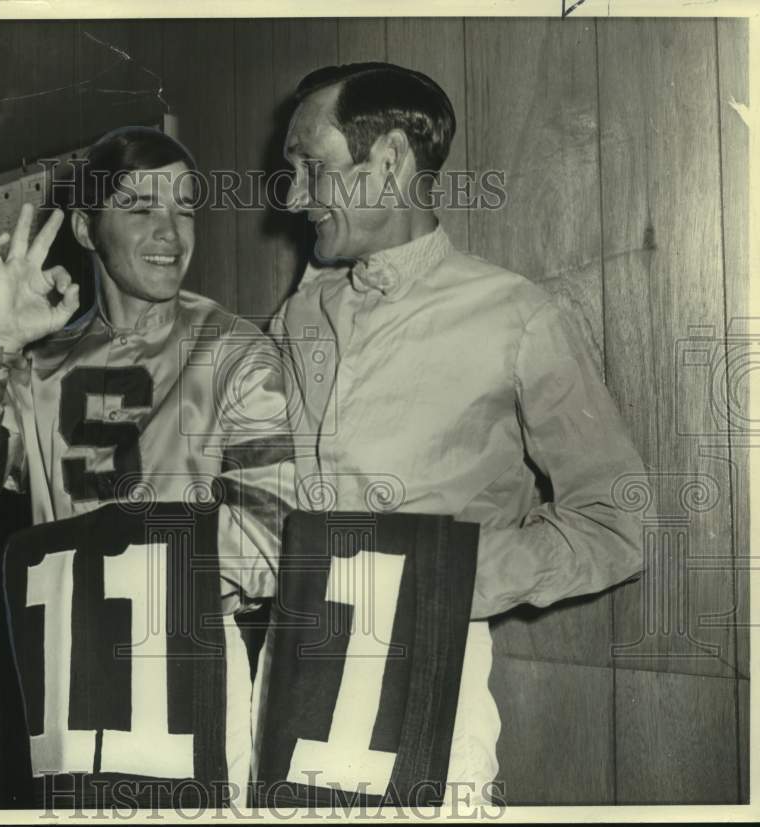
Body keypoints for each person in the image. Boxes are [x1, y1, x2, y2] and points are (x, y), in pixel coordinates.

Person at [266, 62, 646, 803]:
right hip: (284, 685)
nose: (291, 194)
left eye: (312, 168)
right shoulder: (300, 314)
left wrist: (443, 581)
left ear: (391, 160)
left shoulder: (515, 317)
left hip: (428, 703)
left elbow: (617, 523)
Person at [0, 126, 294, 801]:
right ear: (85, 228)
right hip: (63, 658)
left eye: (185, 206)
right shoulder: (37, 365)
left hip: (182, 652)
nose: (171, 231)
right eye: (140, 206)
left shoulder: (232, 350)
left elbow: (269, 537)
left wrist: (121, 573)